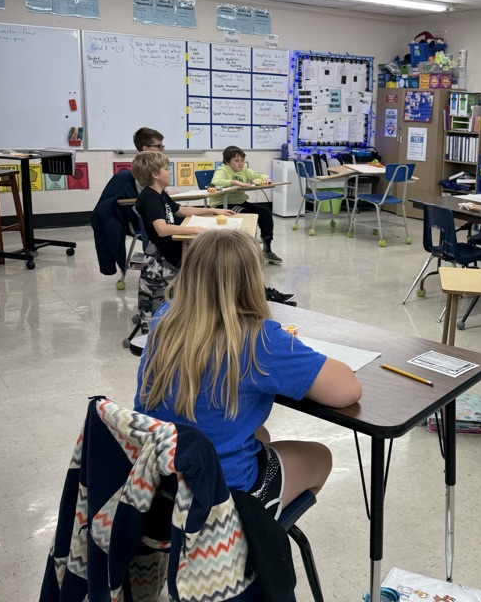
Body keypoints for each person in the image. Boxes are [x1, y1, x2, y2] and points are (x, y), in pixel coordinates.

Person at [135, 227, 362, 517]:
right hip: (220, 497)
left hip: (158, 480)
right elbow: (348, 390)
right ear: (252, 280)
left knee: (260, 434)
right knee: (320, 457)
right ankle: (253, 539)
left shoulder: (164, 317)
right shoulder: (261, 339)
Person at [132, 151, 236, 329]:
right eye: (166, 169)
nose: (170, 171)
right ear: (155, 175)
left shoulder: (159, 194)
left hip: (170, 250)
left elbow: (181, 211)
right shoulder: (150, 198)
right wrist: (195, 229)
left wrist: (213, 211)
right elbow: (162, 229)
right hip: (163, 257)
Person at [210, 146, 281, 264]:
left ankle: (267, 249)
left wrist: (266, 178)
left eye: (242, 160)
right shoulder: (222, 170)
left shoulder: (244, 170)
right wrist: (233, 182)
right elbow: (216, 182)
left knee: (265, 213)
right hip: (222, 205)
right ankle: (246, 251)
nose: (241, 164)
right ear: (227, 162)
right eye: (236, 161)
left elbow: (257, 175)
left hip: (239, 202)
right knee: (247, 216)